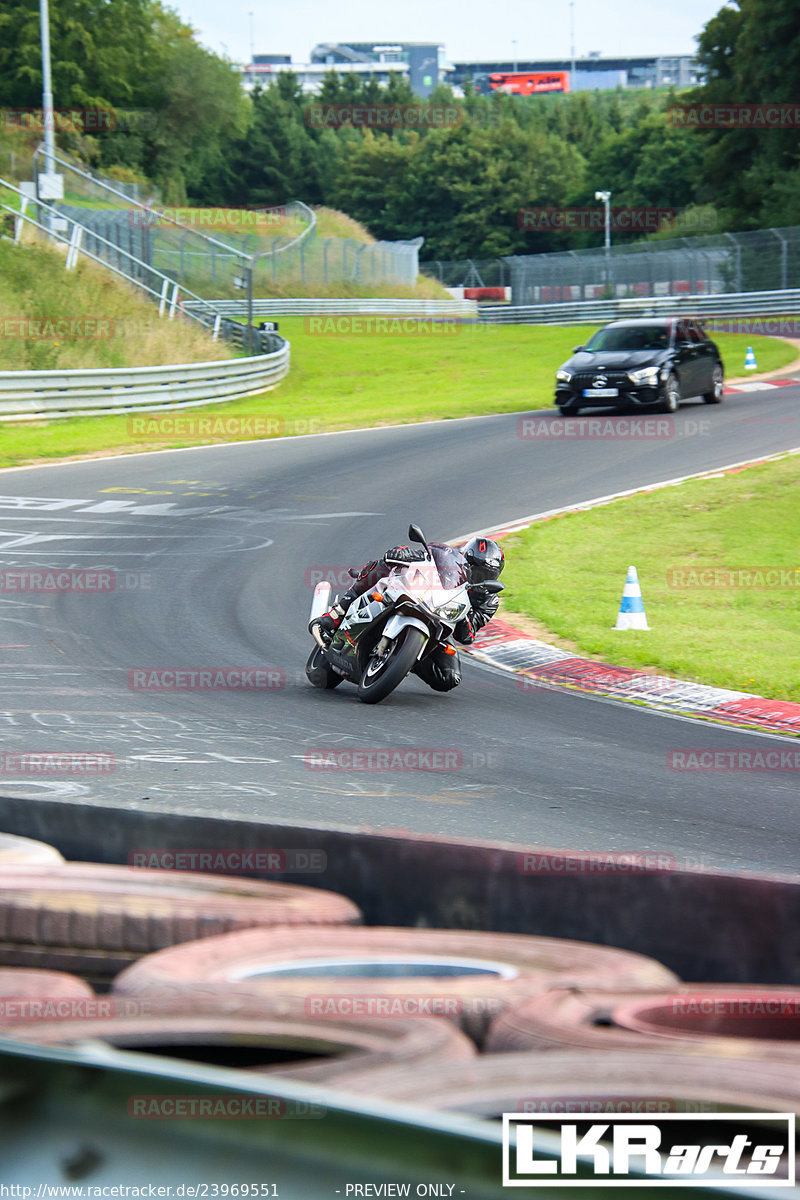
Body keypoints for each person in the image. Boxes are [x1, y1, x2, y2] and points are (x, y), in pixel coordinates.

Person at [309, 537, 505, 692]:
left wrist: (468, 608)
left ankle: (406, 658)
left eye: (486, 575)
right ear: (464, 562)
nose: (479, 578)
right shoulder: (449, 563)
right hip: (422, 598)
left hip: (442, 622)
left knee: (449, 678)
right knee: (388, 562)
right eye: (474, 570)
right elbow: (427, 559)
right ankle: (338, 612)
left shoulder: (489, 600)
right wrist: (407, 554)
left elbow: (467, 636)